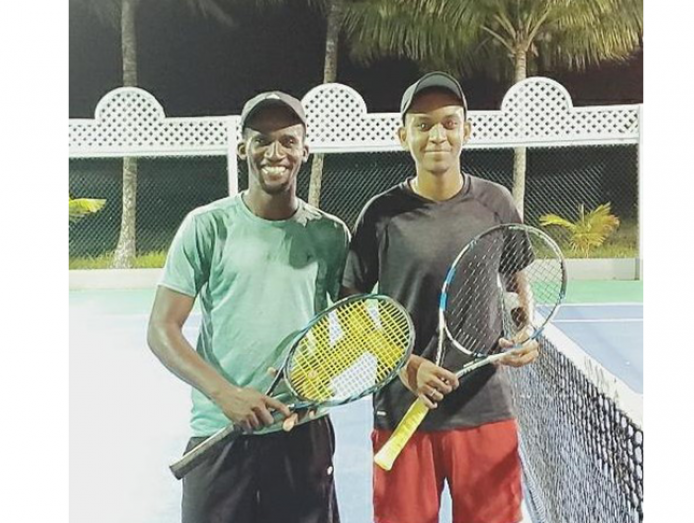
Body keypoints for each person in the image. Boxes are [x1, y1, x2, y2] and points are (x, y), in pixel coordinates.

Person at [341, 72, 540, 523]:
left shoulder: (496, 202)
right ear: (402, 135)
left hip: (485, 409)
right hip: (402, 412)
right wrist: (405, 365)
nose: (437, 135)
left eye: (449, 123)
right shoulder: (380, 214)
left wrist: (523, 325)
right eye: (423, 124)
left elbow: (515, 278)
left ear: (467, 130)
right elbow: (351, 304)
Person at [147, 91, 350, 523]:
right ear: (243, 149)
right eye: (262, 140)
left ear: (305, 151)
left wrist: (325, 377)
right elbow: (162, 329)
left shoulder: (331, 235)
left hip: (302, 432)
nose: (275, 152)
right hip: (221, 432)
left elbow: (351, 328)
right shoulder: (207, 226)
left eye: (288, 141)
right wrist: (226, 396)